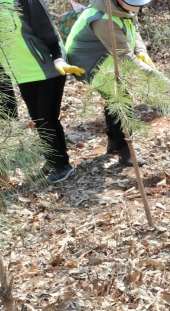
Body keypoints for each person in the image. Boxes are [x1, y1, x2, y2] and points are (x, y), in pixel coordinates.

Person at [65, 0, 170, 166]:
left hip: (106, 56)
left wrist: (141, 51)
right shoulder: (104, 20)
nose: (139, 7)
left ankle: (114, 143)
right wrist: (162, 81)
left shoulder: (120, 9)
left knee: (114, 99)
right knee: (121, 100)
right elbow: (126, 58)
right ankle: (126, 151)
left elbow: (134, 30)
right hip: (91, 64)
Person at [0, 0, 83, 183]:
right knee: (38, 118)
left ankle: (62, 165)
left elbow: (45, 26)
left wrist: (58, 58)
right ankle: (52, 159)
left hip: (48, 66)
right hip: (23, 73)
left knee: (47, 117)